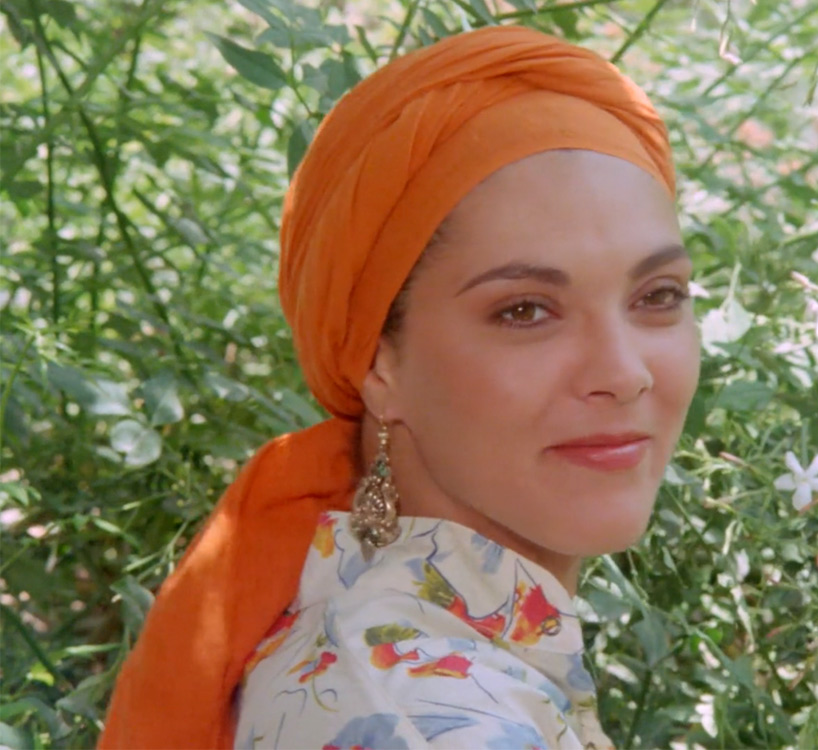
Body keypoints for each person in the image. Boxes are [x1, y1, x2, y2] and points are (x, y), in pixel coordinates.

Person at [99, 24, 699, 749]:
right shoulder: (426, 717)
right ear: (378, 365)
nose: (624, 373)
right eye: (524, 311)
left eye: (658, 296)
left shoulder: (393, 643)